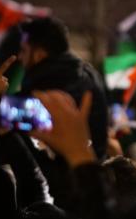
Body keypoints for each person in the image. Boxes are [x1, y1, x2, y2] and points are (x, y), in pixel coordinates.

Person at [18, 17, 108, 159]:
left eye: (24, 50)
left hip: (68, 169)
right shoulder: (86, 72)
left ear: (39, 54)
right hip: (90, 166)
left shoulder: (47, 82)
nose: (19, 57)